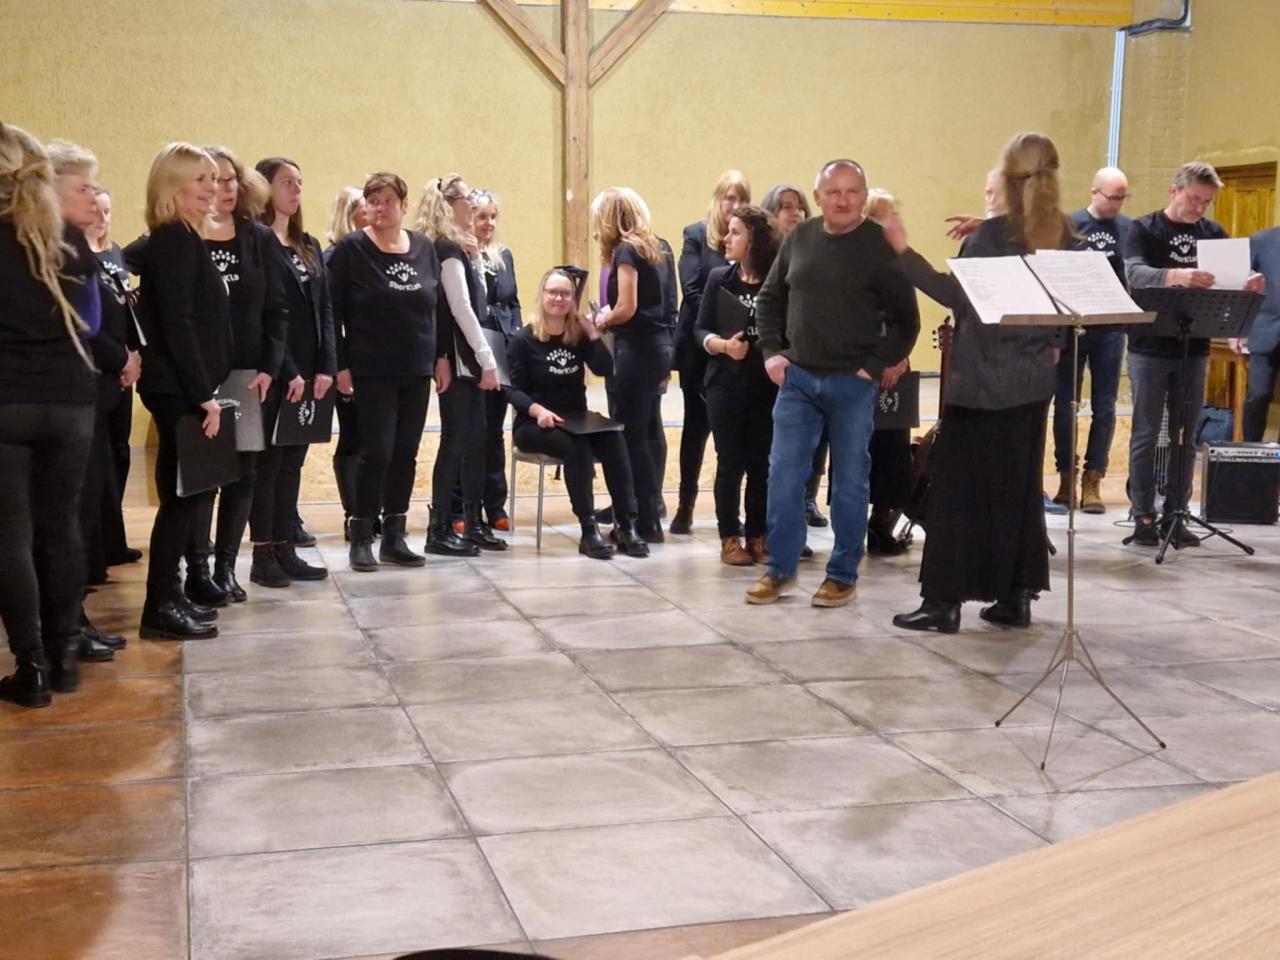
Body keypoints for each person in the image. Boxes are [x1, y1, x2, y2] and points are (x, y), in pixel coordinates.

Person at [887, 132, 1069, 634]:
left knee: (958, 495)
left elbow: (954, 296)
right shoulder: (1062, 231)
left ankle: (942, 604)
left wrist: (902, 250)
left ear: (1007, 177)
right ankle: (1015, 599)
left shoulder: (989, 237)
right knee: (1018, 492)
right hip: (1033, 387)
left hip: (982, 388)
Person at [747, 160, 919, 607]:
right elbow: (769, 299)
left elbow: (907, 322)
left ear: (864, 196)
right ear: (818, 196)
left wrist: (873, 366)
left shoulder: (880, 246)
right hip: (798, 381)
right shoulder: (800, 239)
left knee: (850, 482)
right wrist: (772, 352)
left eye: (852, 192)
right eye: (833, 192)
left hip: (852, 384)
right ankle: (780, 569)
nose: (843, 200)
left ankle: (842, 575)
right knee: (784, 476)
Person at [0, 124, 100, 707]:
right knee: (61, 527)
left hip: (7, 401)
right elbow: (90, 325)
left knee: (11, 537)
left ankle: (31, 667)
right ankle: (66, 657)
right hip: (70, 400)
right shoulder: (69, 239)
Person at [1123, 161, 1265, 547]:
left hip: (1194, 345)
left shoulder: (1213, 233)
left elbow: (1231, 280)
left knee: (1186, 434)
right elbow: (1133, 273)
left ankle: (1177, 511)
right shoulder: (1144, 228)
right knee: (1147, 432)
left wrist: (1248, 283)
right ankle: (1143, 514)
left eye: (1206, 202)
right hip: (1149, 345)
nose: (1200, 208)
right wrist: (1176, 275)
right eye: (1194, 199)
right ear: (1174, 191)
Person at [175, 147, 287, 606]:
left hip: (247, 375)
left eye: (229, 179)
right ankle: (198, 571)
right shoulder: (184, 235)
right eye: (212, 180)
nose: (222, 188)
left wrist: (269, 368)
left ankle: (226, 568)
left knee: (242, 476)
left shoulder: (258, 238)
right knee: (202, 478)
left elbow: (276, 309)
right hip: (197, 377)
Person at [134, 143, 231, 639]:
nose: (212, 188)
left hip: (187, 387)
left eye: (214, 179)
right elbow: (178, 325)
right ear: (173, 186)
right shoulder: (173, 240)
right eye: (200, 179)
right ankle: (160, 606)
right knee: (180, 497)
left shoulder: (187, 237)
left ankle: (171, 597)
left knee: (189, 495)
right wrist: (202, 394)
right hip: (178, 390)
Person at [329, 172, 442, 570]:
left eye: (388, 200)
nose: (380, 208)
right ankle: (362, 534)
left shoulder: (424, 248)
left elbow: (435, 308)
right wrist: (340, 365)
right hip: (370, 368)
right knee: (376, 451)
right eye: (373, 201)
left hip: (416, 367)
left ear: (403, 206)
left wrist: (440, 357)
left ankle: (395, 536)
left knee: (406, 453)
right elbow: (332, 313)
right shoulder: (350, 250)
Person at [507, 268, 646, 559]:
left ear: (573, 299)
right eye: (553, 292)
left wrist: (593, 334)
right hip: (534, 422)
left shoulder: (577, 334)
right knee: (575, 447)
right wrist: (538, 411)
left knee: (614, 439)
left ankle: (626, 525)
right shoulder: (524, 339)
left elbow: (604, 368)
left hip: (576, 419)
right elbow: (512, 390)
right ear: (542, 295)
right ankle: (588, 528)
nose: (559, 298)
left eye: (565, 294)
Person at [249, 156, 335, 587]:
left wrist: (327, 366)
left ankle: (285, 547)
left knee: (292, 465)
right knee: (268, 466)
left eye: (299, 182)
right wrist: (289, 369)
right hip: (277, 371)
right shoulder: (257, 241)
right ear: (264, 188)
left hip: (311, 373)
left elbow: (324, 309)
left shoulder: (308, 244)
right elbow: (263, 314)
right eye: (287, 182)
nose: (296, 189)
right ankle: (262, 553)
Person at [414, 174, 506, 555]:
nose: (472, 204)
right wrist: (487, 358)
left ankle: (473, 522)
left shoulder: (459, 248)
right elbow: (461, 309)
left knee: (476, 441)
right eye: (467, 198)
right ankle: (439, 528)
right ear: (449, 204)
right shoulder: (446, 249)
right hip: (459, 357)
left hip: (465, 355)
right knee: (456, 441)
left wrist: (475, 257)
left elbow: (477, 301)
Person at [694, 205, 781, 565]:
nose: (726, 239)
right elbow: (700, 329)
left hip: (765, 385)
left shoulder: (777, 281)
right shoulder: (719, 278)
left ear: (754, 239)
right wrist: (723, 346)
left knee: (762, 463)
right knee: (730, 462)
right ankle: (729, 537)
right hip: (725, 384)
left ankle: (758, 536)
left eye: (735, 233)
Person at [591, 187, 675, 545]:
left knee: (631, 439)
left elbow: (626, 307)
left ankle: (638, 521)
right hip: (659, 347)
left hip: (635, 350)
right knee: (645, 434)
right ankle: (649, 517)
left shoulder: (625, 250)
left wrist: (602, 319)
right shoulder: (657, 248)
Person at [671, 170, 750, 535]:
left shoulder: (750, 240)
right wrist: (720, 328)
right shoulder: (696, 235)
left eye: (742, 198)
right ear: (718, 199)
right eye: (729, 197)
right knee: (696, 427)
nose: (735, 204)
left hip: (737, 349)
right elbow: (691, 289)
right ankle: (685, 503)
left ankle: (732, 512)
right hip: (699, 346)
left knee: (733, 434)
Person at [1052, 166, 1132, 514]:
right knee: (1065, 404)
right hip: (1072, 326)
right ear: (1094, 192)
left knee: (1105, 406)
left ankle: (1093, 479)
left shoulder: (1129, 229)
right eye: (1111, 197)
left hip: (1110, 327)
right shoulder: (1069, 225)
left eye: (1122, 198)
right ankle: (1065, 478)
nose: (1116, 204)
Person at [449, 187, 519, 531]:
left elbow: (513, 302)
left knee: (494, 431)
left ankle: (495, 505)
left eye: (493, 217)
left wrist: (515, 339)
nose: (488, 223)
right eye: (481, 217)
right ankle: (459, 508)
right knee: (467, 432)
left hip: (500, 349)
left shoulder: (503, 255)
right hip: (471, 350)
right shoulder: (459, 254)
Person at [762, 182, 827, 528]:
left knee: (819, 436)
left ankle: (808, 498)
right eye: (786, 206)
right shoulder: (766, 255)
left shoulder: (816, 249)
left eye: (799, 206)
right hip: (779, 356)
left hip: (814, 356)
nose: (796, 212)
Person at [85, 183, 142, 568]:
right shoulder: (77, 259)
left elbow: (124, 306)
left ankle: (112, 538)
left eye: (107, 212)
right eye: (95, 211)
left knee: (120, 452)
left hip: (124, 366)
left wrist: (133, 356)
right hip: (98, 367)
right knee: (97, 460)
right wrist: (120, 358)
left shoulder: (115, 253)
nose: (103, 219)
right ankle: (94, 548)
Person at [862, 188, 915, 556]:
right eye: (879, 217)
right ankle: (852, 529)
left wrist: (899, 360)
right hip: (859, 372)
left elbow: (907, 321)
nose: (887, 224)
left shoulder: (899, 266)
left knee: (895, 456)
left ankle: (882, 526)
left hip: (893, 373)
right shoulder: (849, 264)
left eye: (891, 216)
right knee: (858, 454)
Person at [325, 185, 373, 540]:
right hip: (347, 363)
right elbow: (331, 316)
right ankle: (353, 511)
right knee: (354, 437)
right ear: (349, 213)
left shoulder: (373, 254)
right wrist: (340, 365)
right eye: (364, 206)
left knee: (375, 439)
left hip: (374, 363)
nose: (371, 212)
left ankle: (372, 510)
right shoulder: (334, 256)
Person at [1237, 226, 1280, 441]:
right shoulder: (1261, 240)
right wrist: (1236, 328)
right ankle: (1250, 450)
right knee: (1258, 394)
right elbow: (1240, 285)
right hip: (1265, 331)